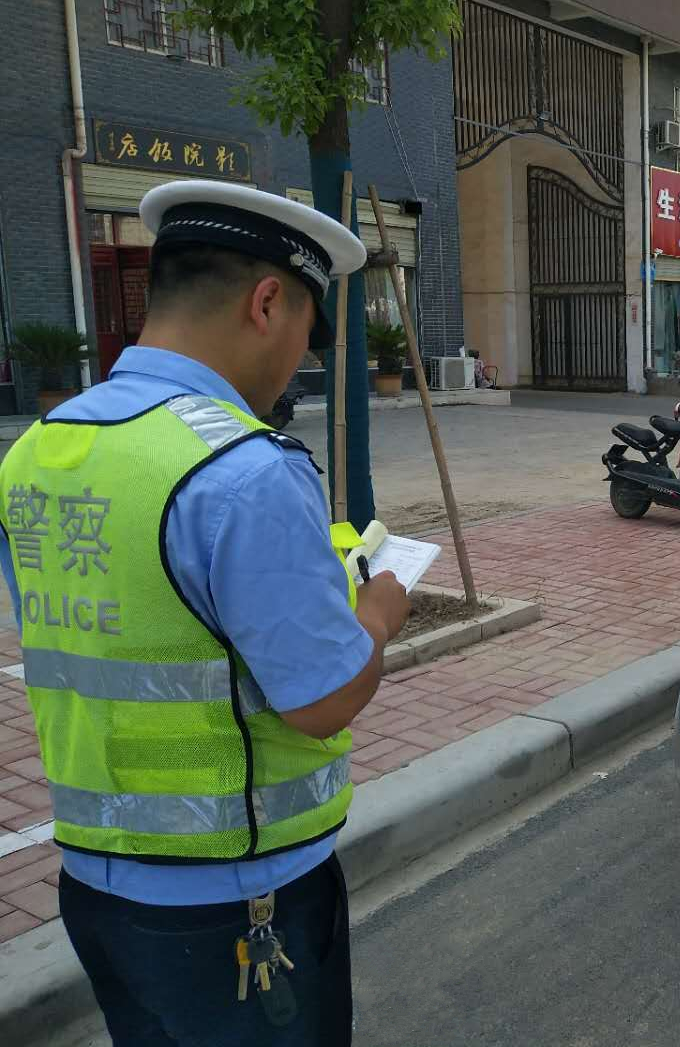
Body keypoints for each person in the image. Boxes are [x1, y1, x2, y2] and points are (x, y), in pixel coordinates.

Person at [0, 180, 412, 1045]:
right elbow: (323, 698)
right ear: (267, 303)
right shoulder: (245, 469)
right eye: (307, 330)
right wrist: (375, 614)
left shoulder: (37, 449)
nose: (298, 359)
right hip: (239, 897)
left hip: (97, 889)